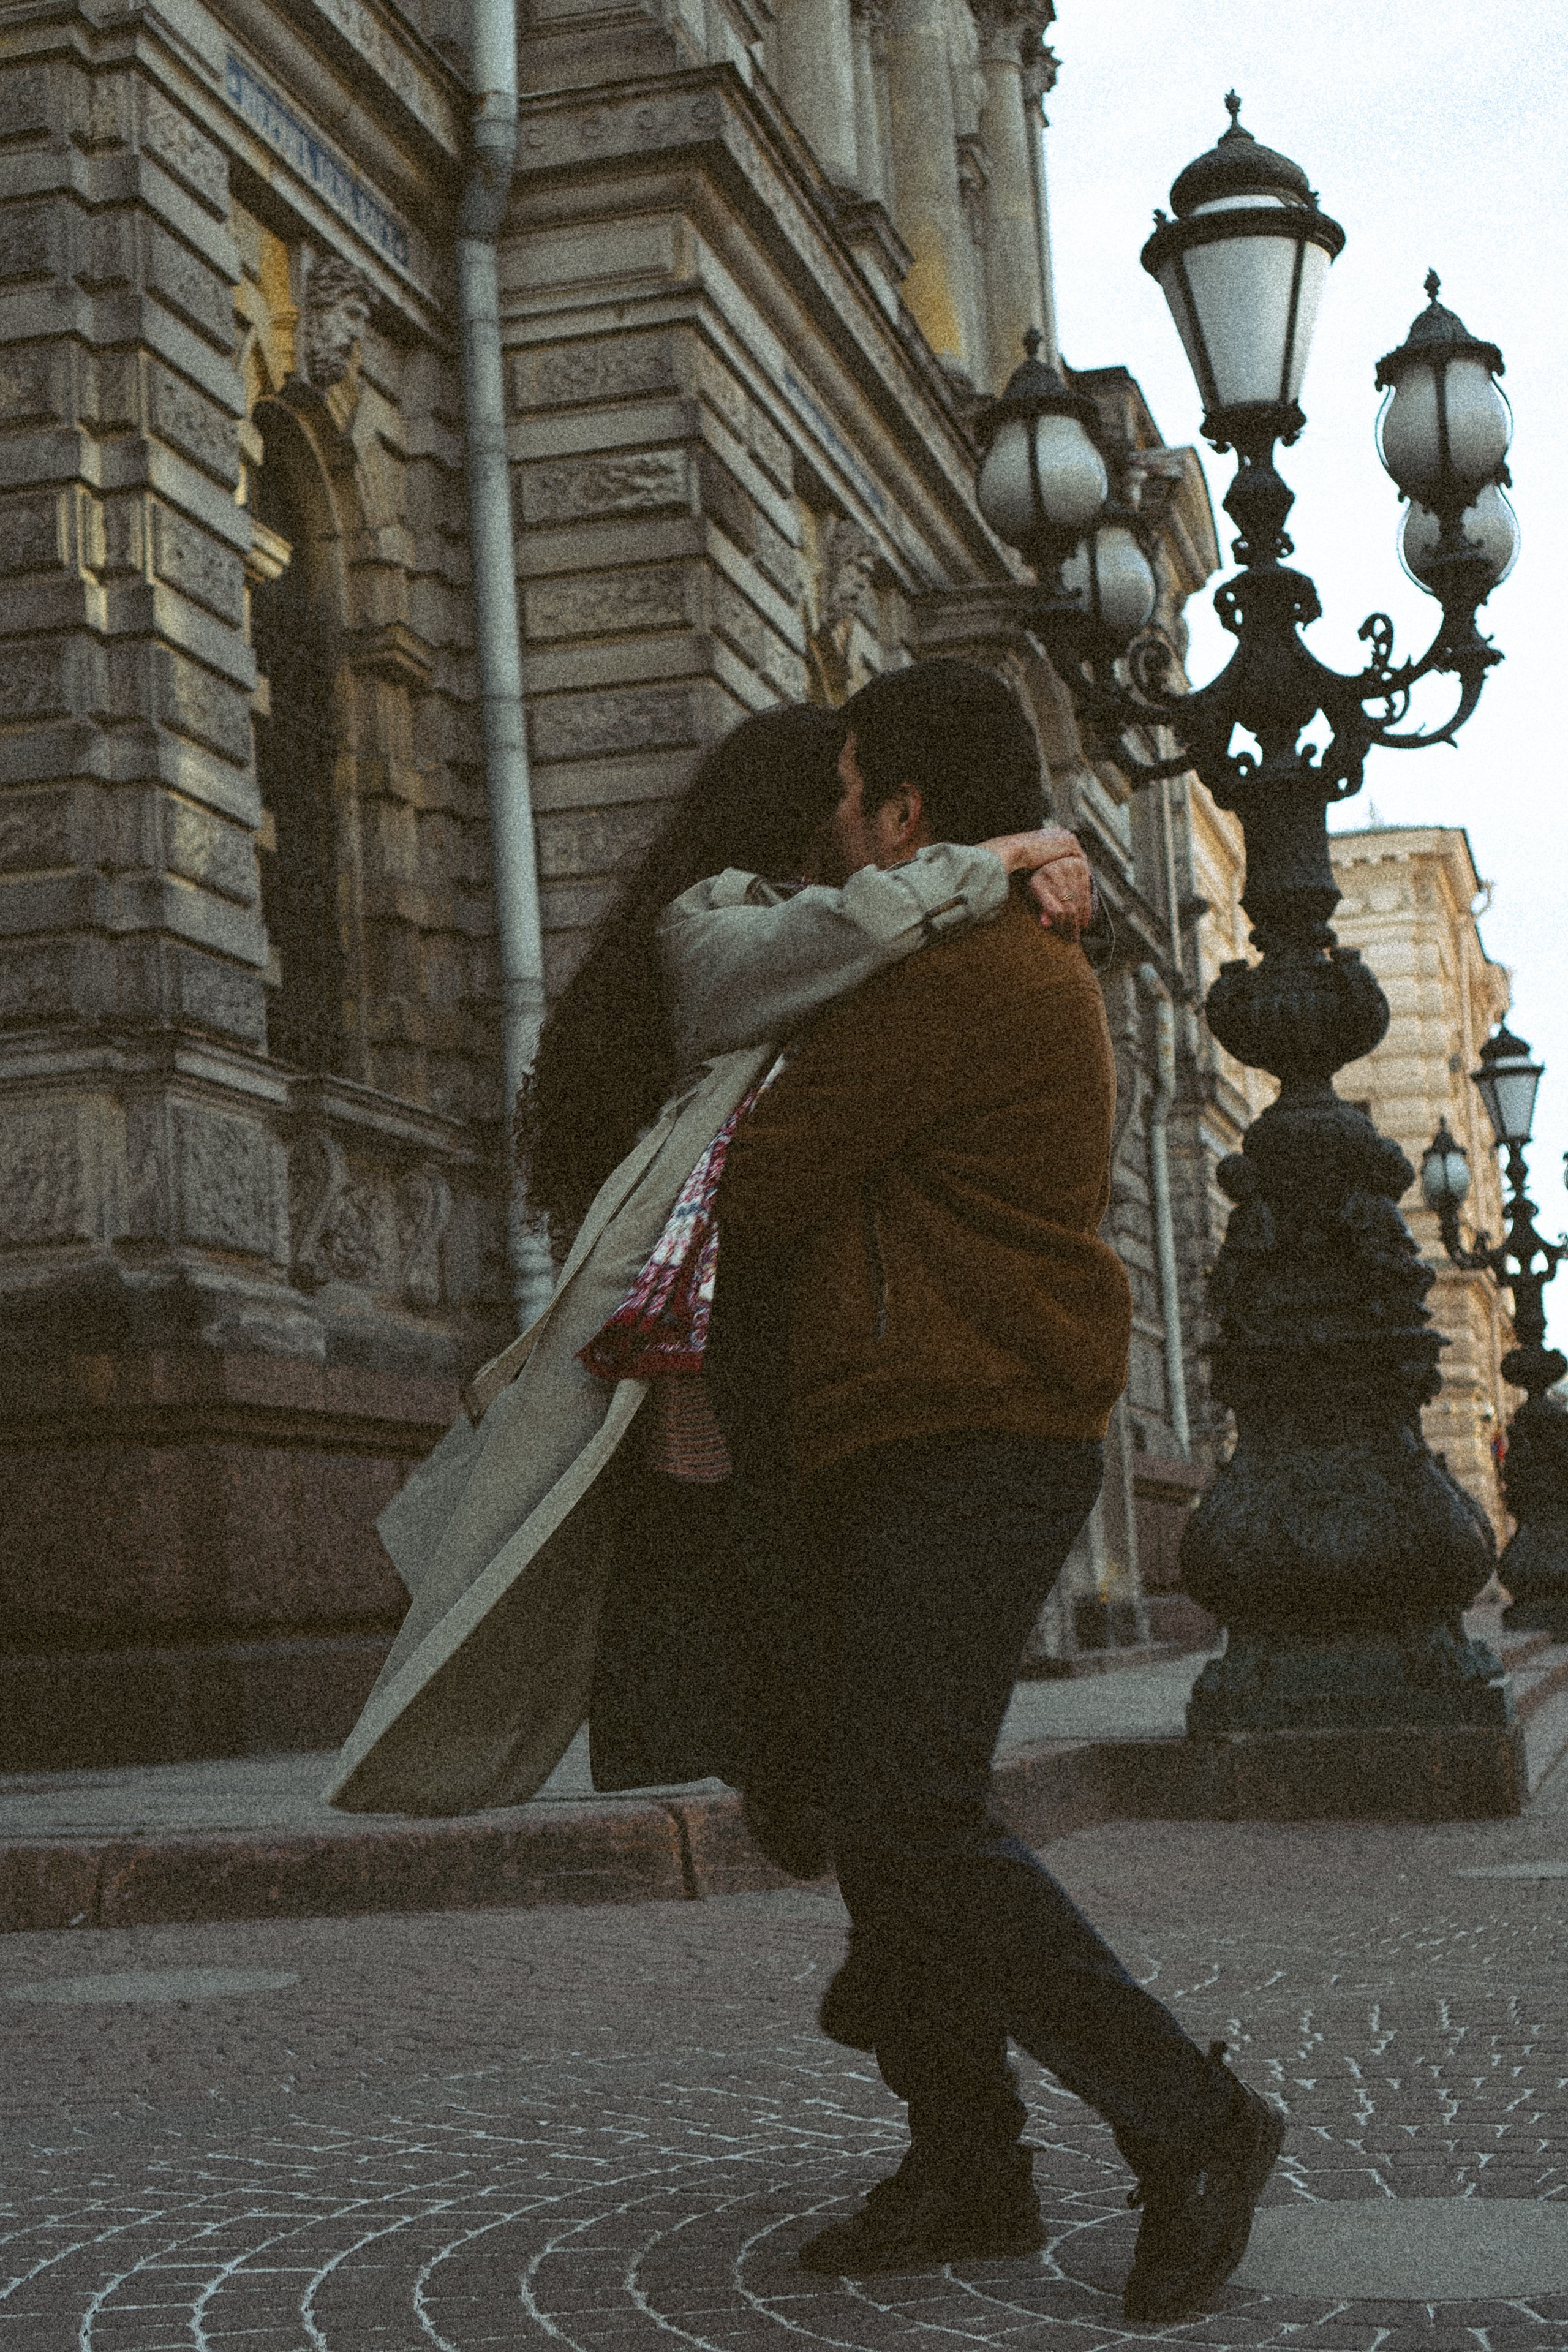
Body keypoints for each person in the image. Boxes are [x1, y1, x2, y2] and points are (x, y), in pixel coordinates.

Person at [710, 659, 1284, 2326]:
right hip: (928, 1419)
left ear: (904, 812)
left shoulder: (957, 972)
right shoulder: (976, 954)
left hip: (972, 1423)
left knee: (906, 1811)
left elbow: (771, 1174)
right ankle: (968, 2156)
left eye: (852, 792)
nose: (833, 829)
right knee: (883, 1812)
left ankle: (1194, 2121)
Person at [326, 701, 1091, 1818]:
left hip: (805, 1362)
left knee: (839, 1757)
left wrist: (1031, 863)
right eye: (840, 793)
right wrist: (1007, 857)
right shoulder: (726, 928)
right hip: (689, 1346)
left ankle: (836, 1913)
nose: (857, 815)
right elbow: (843, 957)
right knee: (747, 1702)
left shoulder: (928, 948)